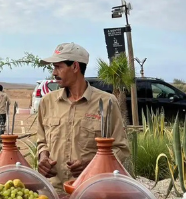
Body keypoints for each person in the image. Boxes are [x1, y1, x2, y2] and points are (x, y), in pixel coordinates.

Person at [36, 43, 130, 188]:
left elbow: (121, 149)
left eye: (58, 67)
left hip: (92, 190)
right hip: (53, 190)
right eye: (54, 67)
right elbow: (41, 141)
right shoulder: (47, 102)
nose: (54, 73)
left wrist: (93, 165)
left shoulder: (106, 103)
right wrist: (43, 157)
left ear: (75, 67)